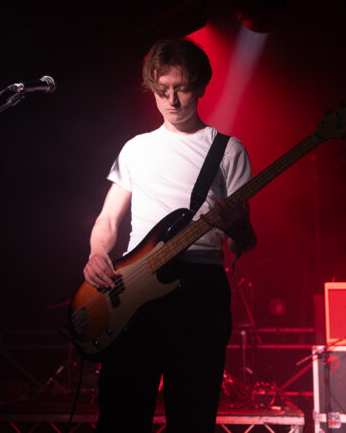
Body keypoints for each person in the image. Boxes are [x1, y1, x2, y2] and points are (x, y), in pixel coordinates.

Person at [82, 38, 257, 432]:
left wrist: (237, 227)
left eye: (181, 89)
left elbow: (241, 243)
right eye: (162, 91)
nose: (172, 101)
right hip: (134, 284)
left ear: (201, 86)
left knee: (192, 416)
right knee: (121, 416)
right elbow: (108, 219)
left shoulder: (228, 151)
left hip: (200, 288)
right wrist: (96, 254)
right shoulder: (136, 148)